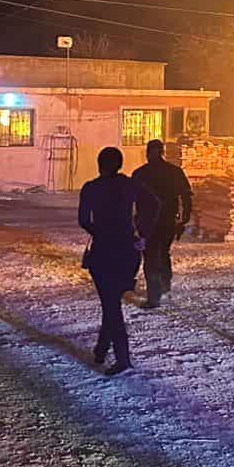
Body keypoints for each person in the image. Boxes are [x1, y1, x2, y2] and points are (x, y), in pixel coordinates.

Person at [78, 146, 160, 376]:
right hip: (127, 251)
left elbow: (83, 220)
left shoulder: (91, 188)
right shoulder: (130, 185)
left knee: (111, 304)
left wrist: (100, 231)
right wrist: (142, 233)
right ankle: (101, 350)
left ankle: (123, 358)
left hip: (103, 251)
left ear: (99, 164)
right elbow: (155, 205)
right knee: (111, 300)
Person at [132, 138, 193, 308]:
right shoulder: (174, 172)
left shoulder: (140, 174)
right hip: (167, 221)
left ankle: (154, 295)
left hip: (147, 223)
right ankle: (164, 284)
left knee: (150, 256)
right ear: (163, 152)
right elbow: (186, 196)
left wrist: (132, 224)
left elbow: (130, 201)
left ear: (147, 153)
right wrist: (184, 219)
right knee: (163, 252)